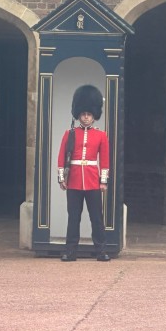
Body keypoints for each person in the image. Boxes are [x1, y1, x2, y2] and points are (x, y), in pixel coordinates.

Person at [57, 84, 111, 262]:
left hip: (92, 181)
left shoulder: (101, 135)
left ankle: (101, 250)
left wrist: (103, 181)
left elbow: (104, 160)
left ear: (94, 116)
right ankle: (70, 251)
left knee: (96, 218)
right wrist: (61, 178)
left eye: (89, 114)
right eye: (83, 114)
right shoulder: (69, 134)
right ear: (78, 114)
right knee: (73, 218)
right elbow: (61, 157)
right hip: (73, 181)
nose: (86, 117)